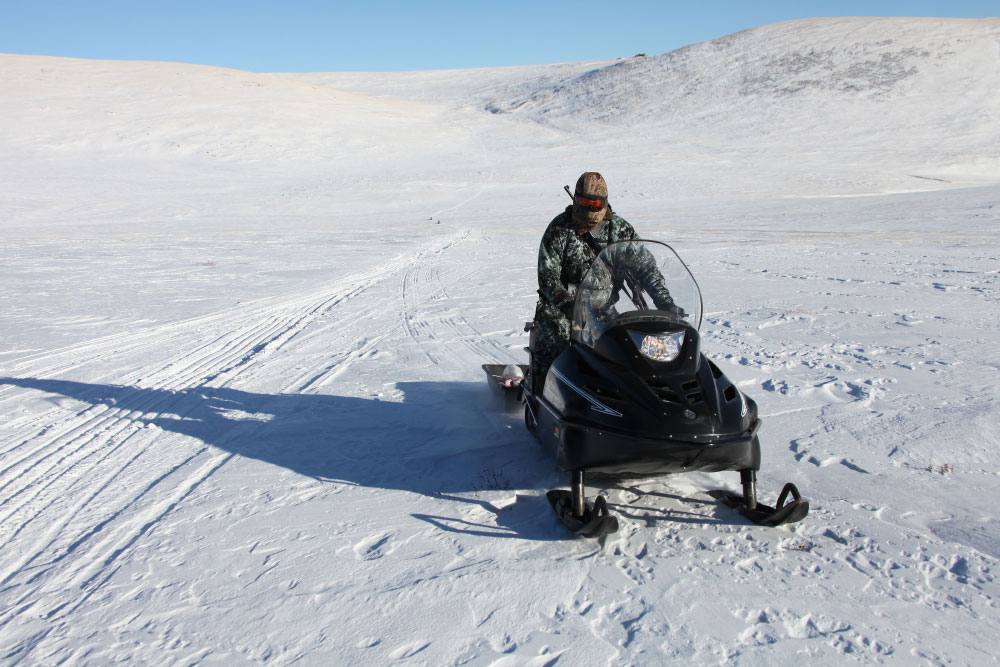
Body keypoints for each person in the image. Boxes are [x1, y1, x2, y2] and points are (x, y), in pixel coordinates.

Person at [530, 172, 642, 391]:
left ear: (605, 203)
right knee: (557, 347)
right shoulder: (559, 228)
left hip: (603, 307)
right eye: (585, 201)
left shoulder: (620, 229)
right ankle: (543, 399)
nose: (591, 207)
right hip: (561, 308)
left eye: (596, 203)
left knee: (627, 349)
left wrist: (659, 298)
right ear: (576, 199)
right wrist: (568, 304)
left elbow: (643, 266)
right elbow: (548, 277)